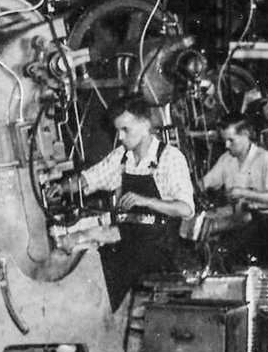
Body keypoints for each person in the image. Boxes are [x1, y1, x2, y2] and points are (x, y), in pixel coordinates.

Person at [59, 104, 194, 311]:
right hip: (128, 241)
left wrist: (146, 201)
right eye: (117, 131)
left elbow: (185, 209)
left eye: (125, 130)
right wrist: (59, 188)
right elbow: (89, 179)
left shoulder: (170, 158)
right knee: (89, 265)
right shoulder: (122, 157)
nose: (120, 137)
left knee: (111, 276)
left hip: (160, 246)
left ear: (145, 124)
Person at [198, 116, 268, 264]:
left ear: (245, 135)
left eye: (231, 140)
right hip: (237, 223)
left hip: (262, 229)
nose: (226, 145)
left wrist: (244, 193)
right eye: (224, 140)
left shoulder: (264, 159)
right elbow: (205, 183)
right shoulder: (226, 159)